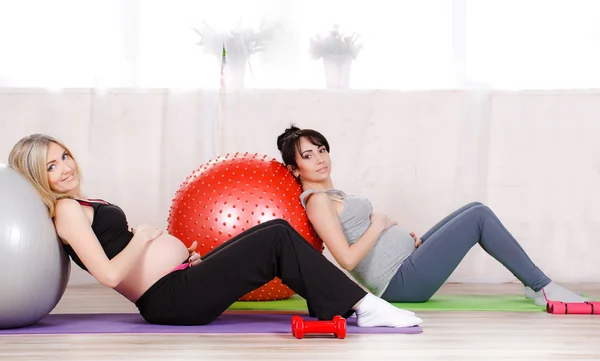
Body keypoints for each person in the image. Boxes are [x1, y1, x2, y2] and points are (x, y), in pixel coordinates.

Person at [7, 133, 422, 328]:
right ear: (36, 176)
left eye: (63, 156)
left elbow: (124, 261)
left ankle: (338, 305)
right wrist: (146, 237)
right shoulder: (64, 210)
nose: (65, 167)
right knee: (276, 233)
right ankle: (362, 306)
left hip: (179, 281)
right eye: (50, 166)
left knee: (274, 236)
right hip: (170, 300)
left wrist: (177, 255)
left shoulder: (80, 203)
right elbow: (110, 274)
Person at [277, 126, 590, 307]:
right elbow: (346, 259)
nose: (320, 159)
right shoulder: (317, 201)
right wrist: (379, 224)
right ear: (295, 169)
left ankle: (530, 283)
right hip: (399, 284)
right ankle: (542, 286)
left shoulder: (335, 194)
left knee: (473, 207)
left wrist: (405, 242)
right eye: (308, 156)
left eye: (321, 150)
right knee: (478, 217)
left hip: (406, 265)